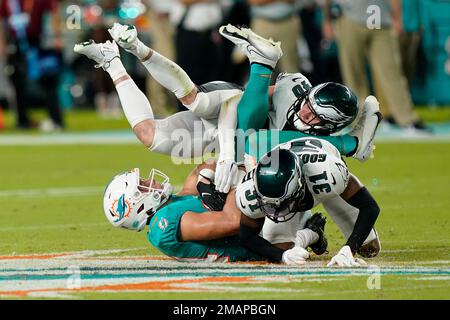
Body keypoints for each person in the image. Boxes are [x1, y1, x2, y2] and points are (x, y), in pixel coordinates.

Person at [74, 23, 380, 193]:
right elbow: (236, 106)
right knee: (199, 102)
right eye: (308, 104)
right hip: (232, 111)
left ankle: (112, 60)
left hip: (247, 143)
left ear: (328, 125)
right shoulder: (292, 90)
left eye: (314, 115)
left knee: (149, 135)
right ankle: (136, 49)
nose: (305, 112)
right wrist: (227, 157)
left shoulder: (313, 142)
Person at [102, 162, 324, 263]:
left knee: (245, 162)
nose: (150, 181)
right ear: (137, 205)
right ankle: (309, 234)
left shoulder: (170, 206)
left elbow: (198, 171)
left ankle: (308, 227)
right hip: (262, 244)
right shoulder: (164, 223)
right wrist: (239, 183)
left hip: (258, 225)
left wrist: (206, 177)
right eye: (142, 185)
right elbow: (232, 222)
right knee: (261, 173)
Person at [236, 137, 381, 267]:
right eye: (270, 204)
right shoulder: (249, 190)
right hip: (297, 183)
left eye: (281, 203)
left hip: (322, 180)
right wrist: (283, 256)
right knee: (279, 251)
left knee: (369, 249)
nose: (277, 211)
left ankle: (306, 227)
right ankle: (313, 232)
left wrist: (349, 249)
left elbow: (370, 207)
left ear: (300, 185)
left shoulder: (328, 175)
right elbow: (246, 236)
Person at [321, 0, 427, 133]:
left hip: (380, 20)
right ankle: (360, 121)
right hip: (350, 18)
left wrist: (397, 18)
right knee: (354, 75)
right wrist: (326, 20)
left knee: (392, 72)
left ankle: (407, 119)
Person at [0, 0, 64, 130]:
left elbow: (54, 13)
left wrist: (57, 37)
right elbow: (1, 21)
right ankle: (22, 120)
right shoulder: (9, 2)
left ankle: (56, 119)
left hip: (39, 42)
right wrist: (2, 44)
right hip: (16, 44)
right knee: (17, 82)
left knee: (48, 80)